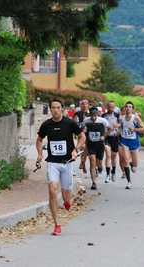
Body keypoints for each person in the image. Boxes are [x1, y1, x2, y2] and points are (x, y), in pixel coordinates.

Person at [36, 96, 86, 235]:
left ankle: (67, 201)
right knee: (52, 191)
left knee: (66, 197)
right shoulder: (46, 125)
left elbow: (82, 137)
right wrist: (40, 153)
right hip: (52, 162)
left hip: (67, 163)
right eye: (53, 108)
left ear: (62, 109)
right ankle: (57, 225)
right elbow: (39, 140)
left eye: (58, 108)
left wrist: (76, 149)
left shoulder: (69, 123)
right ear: (50, 109)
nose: (56, 110)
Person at [81, 107, 113, 190]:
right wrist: (83, 133)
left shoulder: (102, 120)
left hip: (99, 144)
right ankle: (94, 182)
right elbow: (81, 128)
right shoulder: (86, 121)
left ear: (97, 114)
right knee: (92, 162)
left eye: (95, 116)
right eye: (92, 116)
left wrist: (104, 136)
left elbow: (110, 128)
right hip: (90, 144)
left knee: (98, 164)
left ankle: (100, 167)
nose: (93, 118)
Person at [119, 101, 144, 189]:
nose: (128, 108)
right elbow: (121, 129)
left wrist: (134, 129)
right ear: (125, 108)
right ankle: (129, 182)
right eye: (126, 106)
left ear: (132, 109)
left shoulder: (136, 118)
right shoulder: (122, 118)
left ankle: (132, 165)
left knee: (135, 164)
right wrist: (116, 132)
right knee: (125, 160)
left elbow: (143, 129)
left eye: (130, 107)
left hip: (134, 141)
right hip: (125, 140)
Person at [101, 101, 122, 183]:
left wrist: (118, 131)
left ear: (114, 107)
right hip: (106, 137)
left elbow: (122, 126)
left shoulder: (118, 116)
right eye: (109, 107)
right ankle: (107, 175)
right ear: (107, 107)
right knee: (108, 154)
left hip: (114, 137)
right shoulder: (103, 116)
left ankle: (113, 172)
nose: (111, 109)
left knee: (113, 157)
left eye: (112, 107)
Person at [72, 99, 90, 173]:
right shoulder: (77, 113)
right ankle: (83, 163)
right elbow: (73, 122)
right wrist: (74, 133)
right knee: (82, 147)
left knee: (85, 148)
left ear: (88, 105)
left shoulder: (90, 113)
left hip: (88, 133)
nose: (84, 106)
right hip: (80, 133)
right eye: (83, 104)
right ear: (81, 105)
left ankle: (83, 163)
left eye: (86, 104)